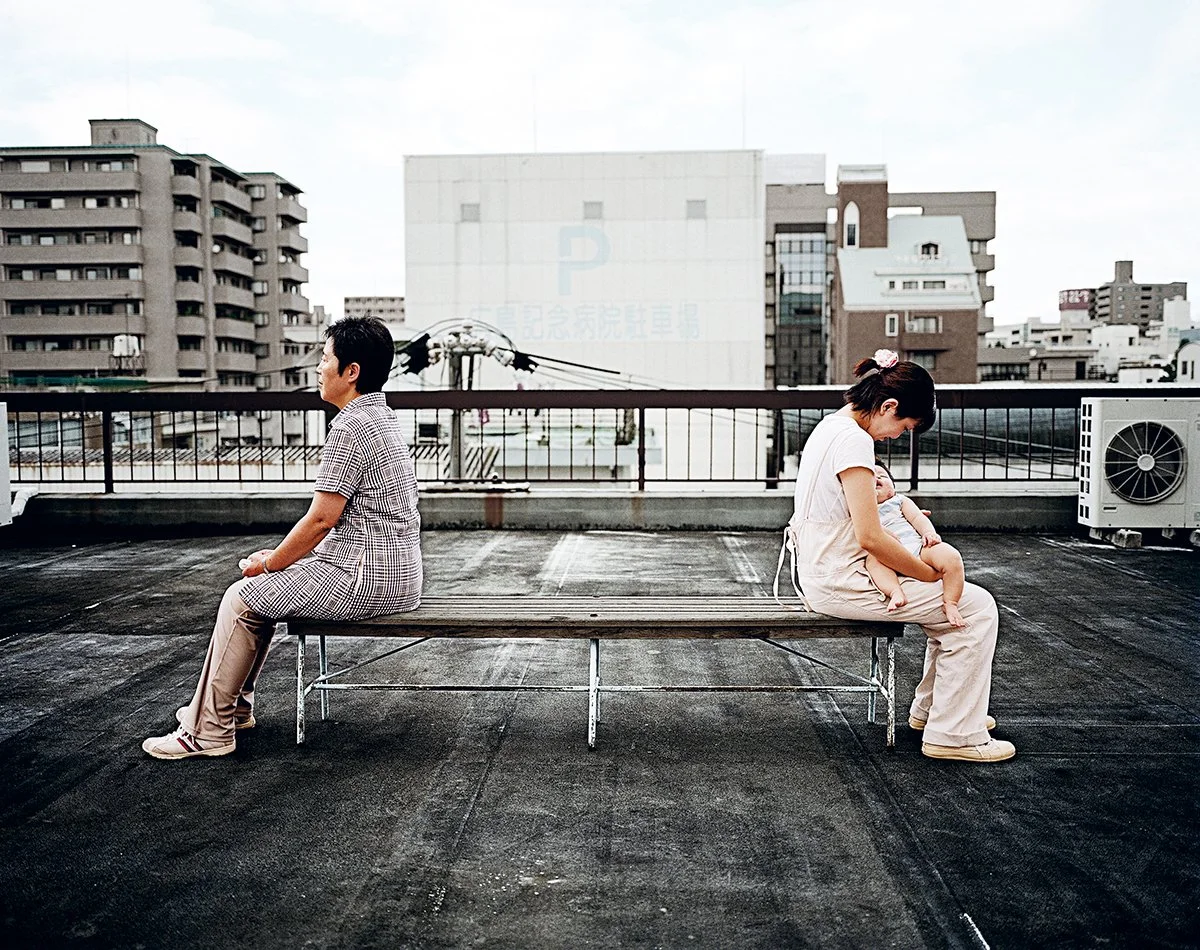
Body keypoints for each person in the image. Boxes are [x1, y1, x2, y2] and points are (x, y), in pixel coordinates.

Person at [143, 316, 423, 759]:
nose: (318, 367)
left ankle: (209, 733)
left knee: (242, 597)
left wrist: (272, 563)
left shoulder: (351, 428)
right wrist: (279, 560)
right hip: (398, 575)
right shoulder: (383, 419)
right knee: (259, 595)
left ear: (351, 372)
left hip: (364, 578)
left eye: (325, 358)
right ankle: (230, 711)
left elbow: (320, 521)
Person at [789, 348, 1013, 763]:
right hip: (843, 581)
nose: (895, 437)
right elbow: (870, 537)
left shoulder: (831, 426)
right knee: (976, 607)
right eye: (902, 426)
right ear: (887, 406)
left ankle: (939, 714)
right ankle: (953, 735)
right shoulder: (855, 442)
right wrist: (928, 576)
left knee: (956, 615)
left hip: (824, 571)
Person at [866, 461, 965, 627]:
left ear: (894, 487)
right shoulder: (861, 507)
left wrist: (928, 533)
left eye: (882, 476)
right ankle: (895, 591)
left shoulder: (899, 501)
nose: (876, 478)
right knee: (873, 562)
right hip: (886, 553)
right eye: (870, 477)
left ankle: (951, 602)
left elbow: (918, 518)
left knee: (952, 557)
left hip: (917, 546)